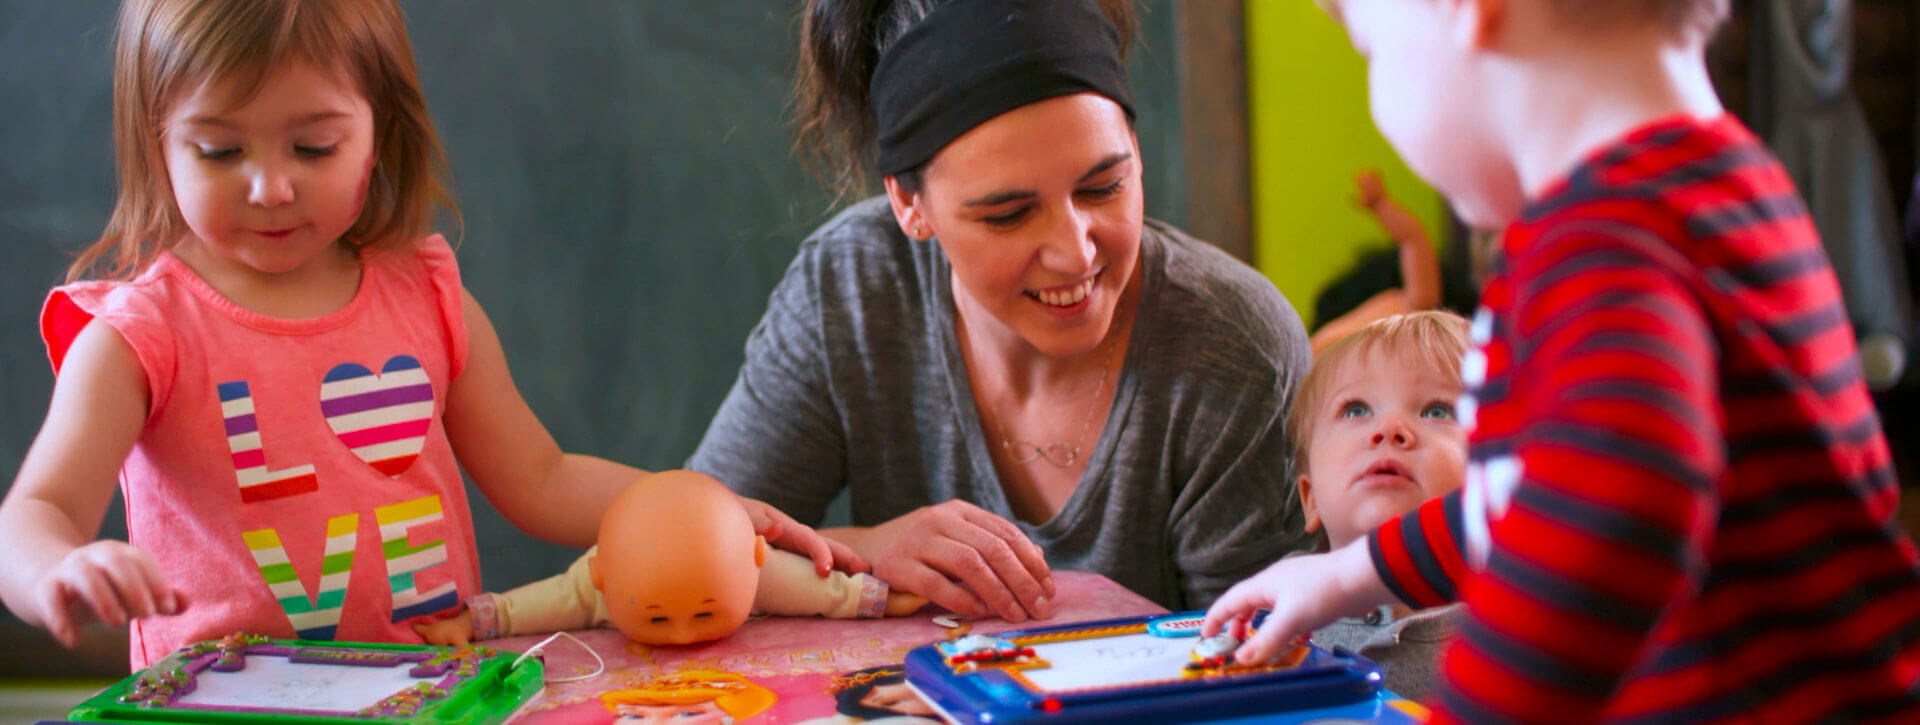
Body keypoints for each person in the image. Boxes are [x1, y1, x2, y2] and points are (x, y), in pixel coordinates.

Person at [0, 0, 845, 668]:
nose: (269, 186)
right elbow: (32, 513)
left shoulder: (426, 295)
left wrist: (701, 508)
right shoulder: (140, 333)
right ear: (161, 146)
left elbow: (541, 478)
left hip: (428, 691)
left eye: (313, 145)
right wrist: (55, 571)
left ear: (376, 134)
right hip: (223, 704)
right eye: (219, 151)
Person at [1204, 0, 1920, 721]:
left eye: (1371, 52)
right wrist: (1348, 573)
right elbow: (1540, 491)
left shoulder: (1599, 241)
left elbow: (1614, 510)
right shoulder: (1720, 186)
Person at [688, 0, 1314, 618]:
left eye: (1104, 187)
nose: (1074, 254)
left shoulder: (1237, 347)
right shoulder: (851, 289)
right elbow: (677, 554)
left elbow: (1277, 683)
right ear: (911, 205)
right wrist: (865, 550)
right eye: (1008, 215)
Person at [411, 471, 923, 647]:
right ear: (602, 579)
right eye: (656, 617)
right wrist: (473, 623)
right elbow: (524, 607)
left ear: (755, 560)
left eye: (705, 612)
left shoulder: (751, 572)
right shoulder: (592, 584)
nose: (683, 634)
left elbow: (826, 591)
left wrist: (885, 601)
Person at [1286, 311, 1470, 700]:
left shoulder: (1516, 636)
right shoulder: (1275, 625)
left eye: (1437, 411)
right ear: (1310, 498)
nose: (1388, 429)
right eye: (1355, 410)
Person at [1307, 171, 1444, 354]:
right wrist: (1380, 205)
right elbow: (1413, 242)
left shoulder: (1409, 315)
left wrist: (1381, 205)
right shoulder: (1322, 351)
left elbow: (1414, 243)